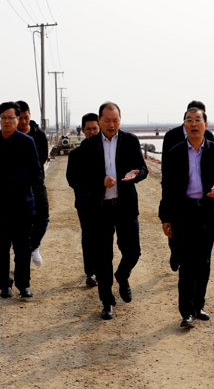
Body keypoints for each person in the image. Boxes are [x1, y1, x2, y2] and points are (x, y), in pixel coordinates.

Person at [159, 106, 214, 327]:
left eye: (197, 120)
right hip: (183, 213)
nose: (193, 124)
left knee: (203, 262)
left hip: (208, 213)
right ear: (184, 126)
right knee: (187, 263)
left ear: (205, 125)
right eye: (189, 120)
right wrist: (165, 217)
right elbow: (167, 187)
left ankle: (199, 305)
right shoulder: (175, 153)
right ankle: (187, 312)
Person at [78, 102, 148, 320]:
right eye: (107, 120)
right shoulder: (89, 145)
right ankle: (107, 302)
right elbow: (81, 175)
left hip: (126, 206)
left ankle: (122, 275)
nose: (111, 124)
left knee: (133, 251)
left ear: (120, 120)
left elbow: (143, 168)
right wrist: (102, 180)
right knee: (103, 258)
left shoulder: (130, 140)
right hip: (100, 208)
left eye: (115, 120)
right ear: (99, 120)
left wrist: (136, 175)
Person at [0, 102, 42, 298]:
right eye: (3, 118)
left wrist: (24, 189)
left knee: (23, 245)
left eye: (11, 117)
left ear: (18, 119)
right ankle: (4, 285)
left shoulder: (27, 142)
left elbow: (35, 171)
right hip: (1, 202)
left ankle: (23, 284)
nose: (7, 121)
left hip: (24, 202)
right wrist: (7, 187)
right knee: (3, 244)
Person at [161, 101, 214, 272]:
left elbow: (212, 164)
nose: (195, 123)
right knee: (175, 234)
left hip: (202, 202)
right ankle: (175, 251)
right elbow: (166, 166)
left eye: (200, 118)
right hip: (178, 194)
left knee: (200, 252)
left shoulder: (209, 136)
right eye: (191, 119)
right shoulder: (171, 136)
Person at [66, 113, 101, 287]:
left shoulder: (107, 152)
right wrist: (86, 191)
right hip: (85, 202)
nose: (92, 132)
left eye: (95, 128)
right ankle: (91, 272)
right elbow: (71, 178)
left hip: (106, 202)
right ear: (82, 130)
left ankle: (102, 269)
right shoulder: (75, 154)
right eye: (89, 129)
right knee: (88, 236)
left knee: (104, 236)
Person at [16, 101, 49, 266]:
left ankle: (34, 246)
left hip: (36, 184)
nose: (23, 121)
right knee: (21, 222)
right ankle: (20, 256)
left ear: (30, 115)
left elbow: (42, 158)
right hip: (17, 187)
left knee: (43, 218)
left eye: (26, 117)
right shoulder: (11, 135)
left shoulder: (38, 135)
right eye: (20, 118)